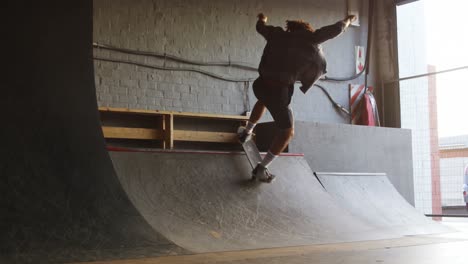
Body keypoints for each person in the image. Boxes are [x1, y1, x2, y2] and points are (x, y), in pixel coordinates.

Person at [238, 13, 357, 183]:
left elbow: (260, 27)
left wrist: (262, 19)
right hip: (278, 92)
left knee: (263, 100)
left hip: (260, 85)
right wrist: (349, 20)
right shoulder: (312, 38)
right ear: (307, 30)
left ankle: (246, 132)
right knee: (287, 132)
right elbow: (337, 29)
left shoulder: (277, 34)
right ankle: (261, 168)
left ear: (291, 28)